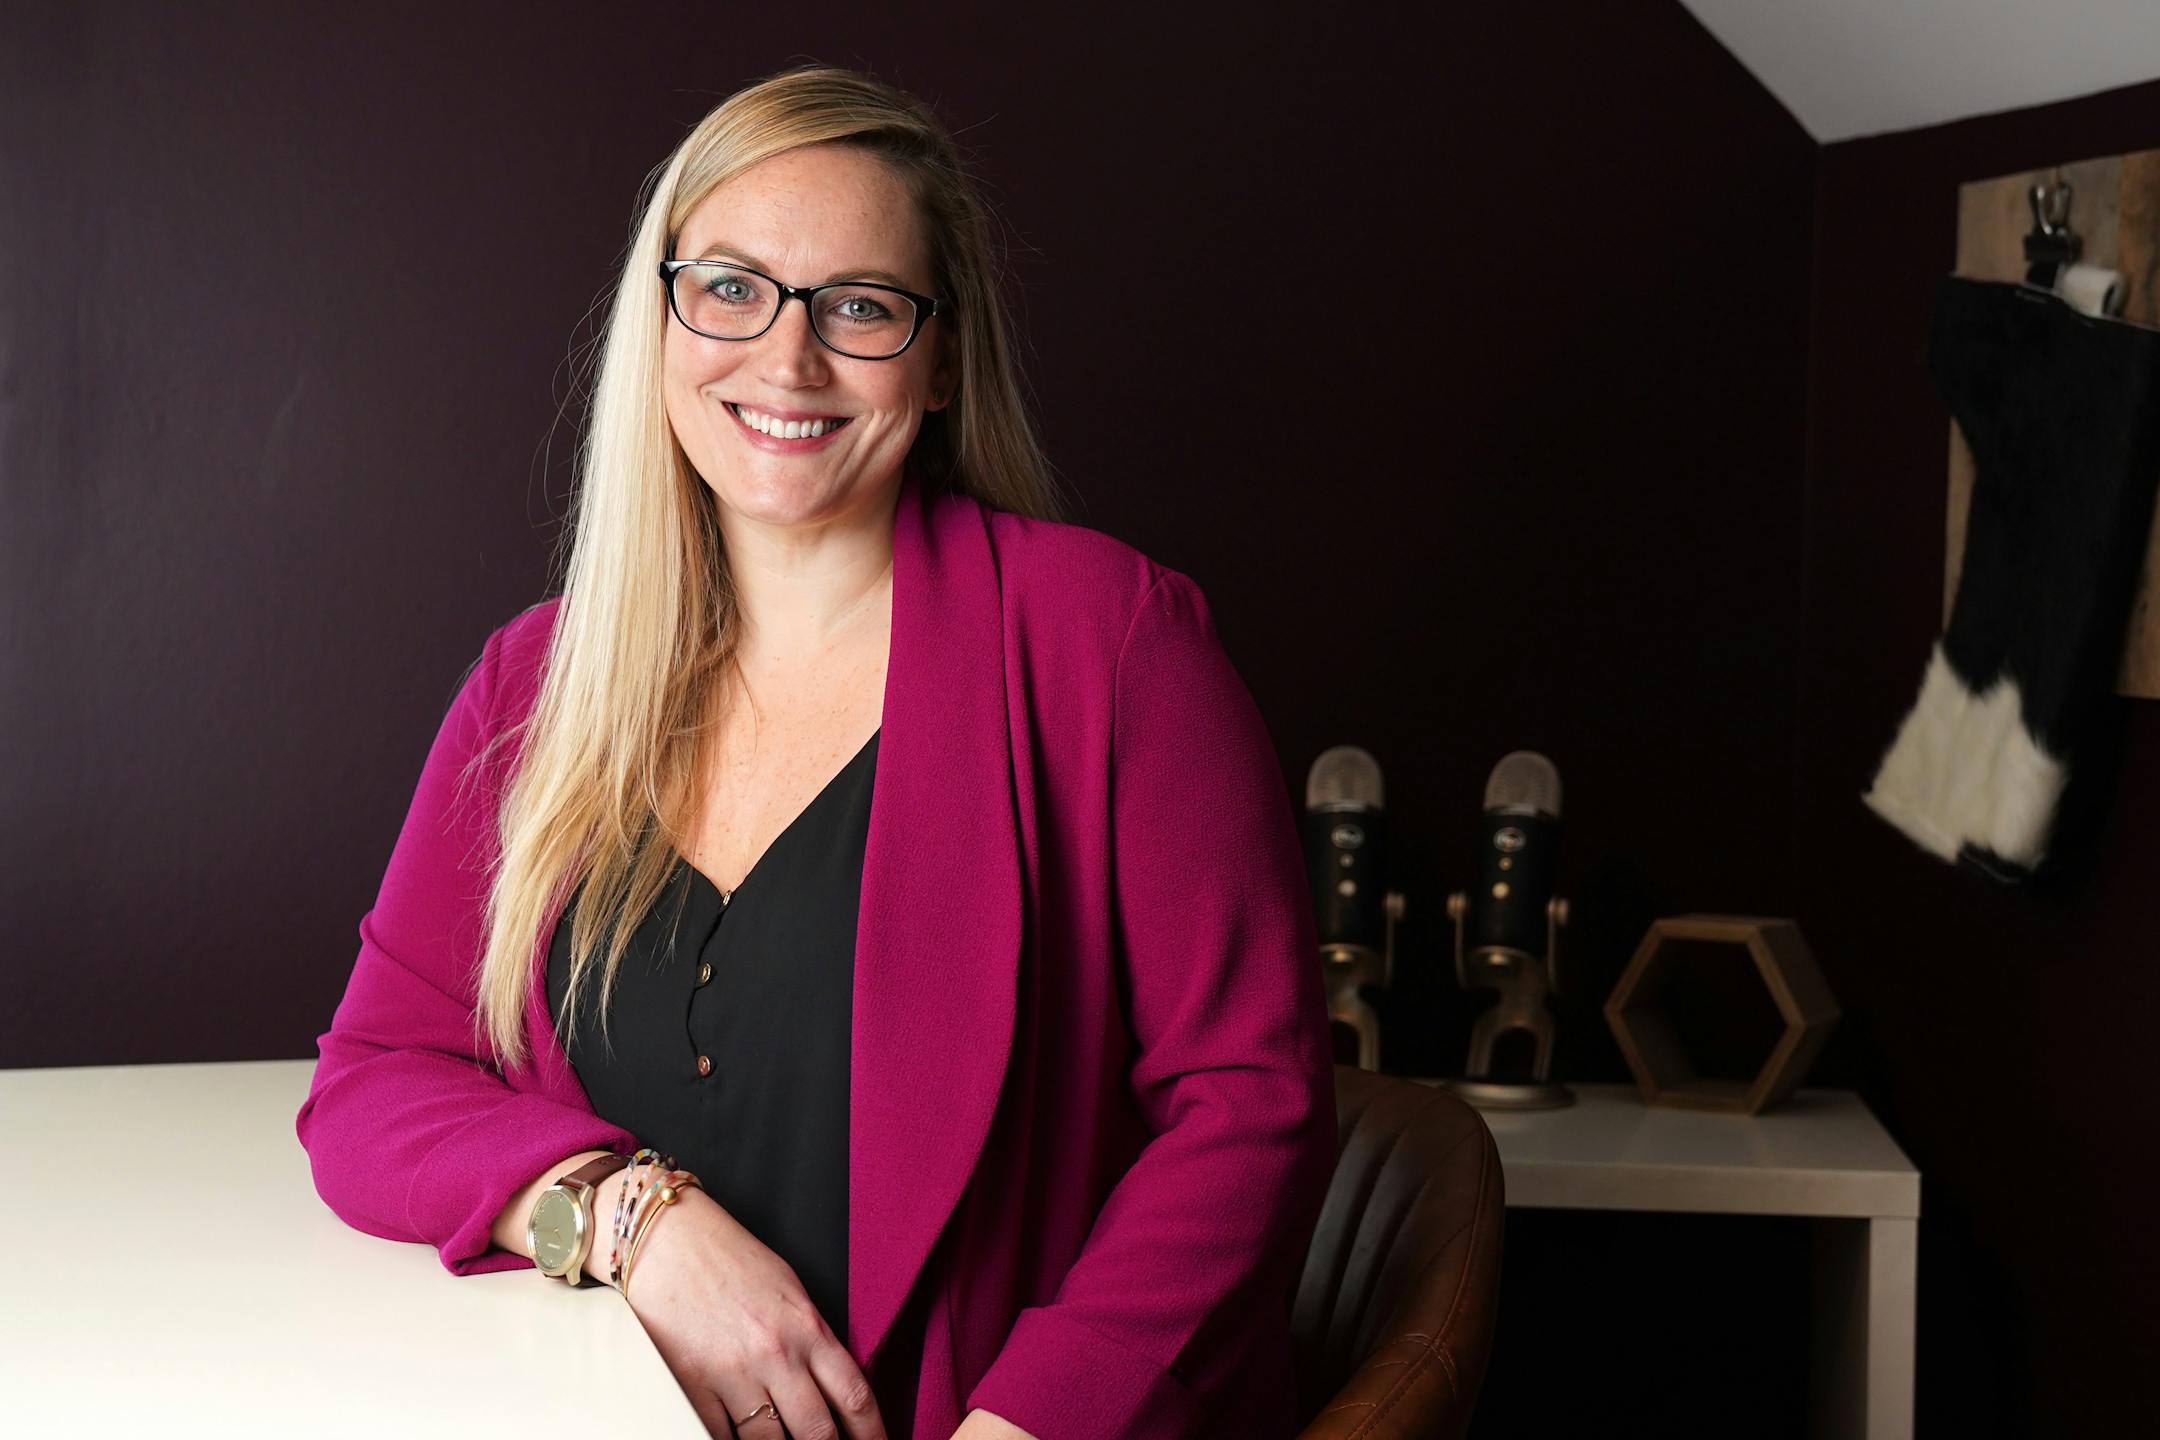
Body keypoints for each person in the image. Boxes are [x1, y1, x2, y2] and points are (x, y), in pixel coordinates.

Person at [295, 63, 1335, 1440]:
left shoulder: (1109, 642)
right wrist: (631, 1219)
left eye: (858, 307)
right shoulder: (538, 683)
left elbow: (1250, 1106)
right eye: (729, 287)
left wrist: (1032, 1427)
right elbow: (373, 1084)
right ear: (660, 319)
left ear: (944, 355)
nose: (786, 360)